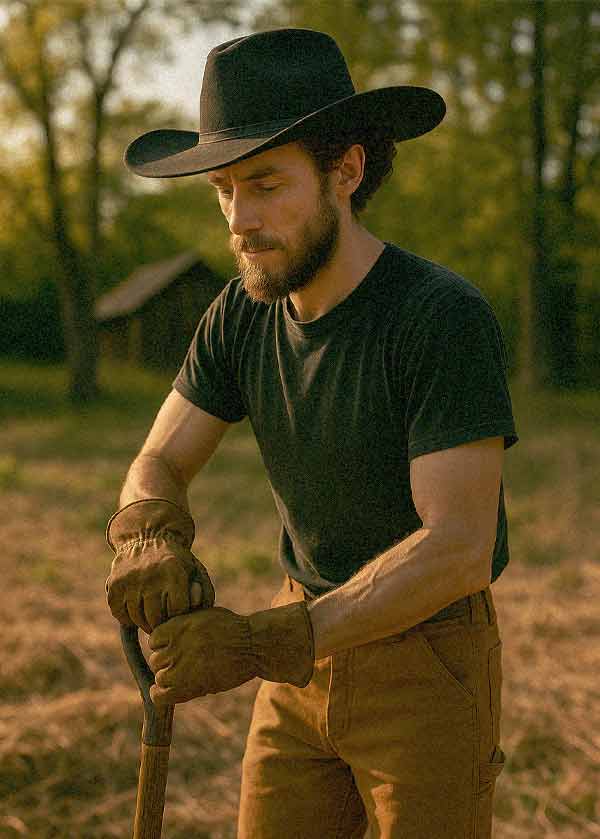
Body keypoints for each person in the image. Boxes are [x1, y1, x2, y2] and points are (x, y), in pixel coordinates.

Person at [106, 28, 518, 839]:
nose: (239, 220)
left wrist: (267, 641)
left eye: (264, 184)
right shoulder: (240, 313)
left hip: (426, 661)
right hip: (297, 670)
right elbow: (158, 458)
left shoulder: (439, 318)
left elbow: (458, 546)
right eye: (224, 189)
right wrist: (148, 533)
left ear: (347, 170)